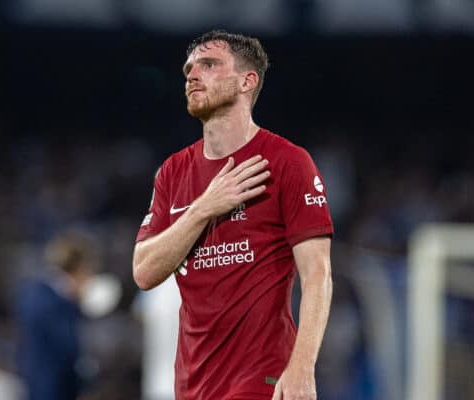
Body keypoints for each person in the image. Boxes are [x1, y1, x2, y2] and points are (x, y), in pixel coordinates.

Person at [133, 30, 334, 400]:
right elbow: (144, 271)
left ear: (247, 80)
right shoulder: (173, 172)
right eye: (189, 68)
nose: (192, 74)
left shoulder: (287, 162)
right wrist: (204, 208)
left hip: (263, 379)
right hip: (192, 384)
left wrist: (302, 368)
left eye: (208, 64)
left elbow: (318, 273)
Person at [14, 230, 98, 400]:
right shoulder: (46, 299)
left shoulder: (39, 295)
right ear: (79, 267)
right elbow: (68, 348)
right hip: (49, 388)